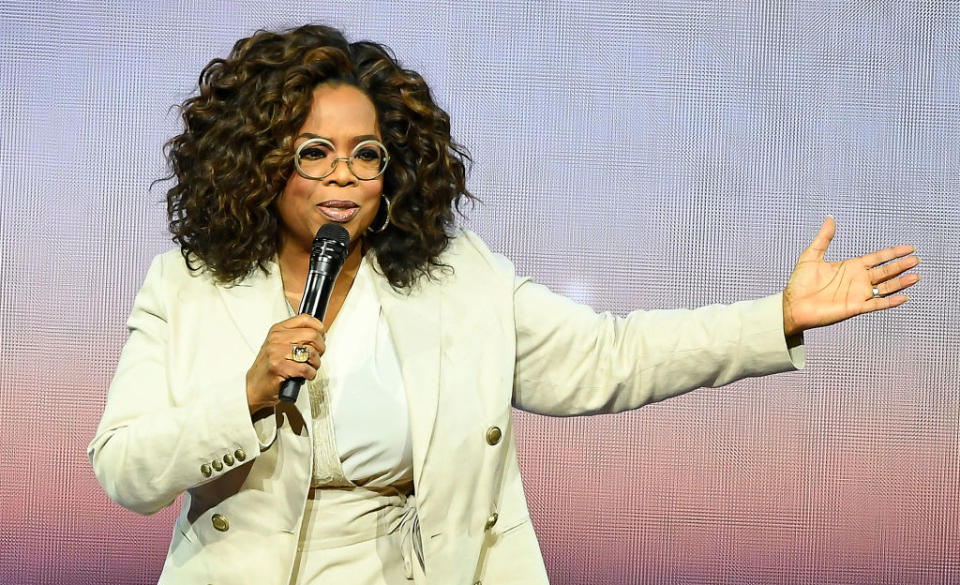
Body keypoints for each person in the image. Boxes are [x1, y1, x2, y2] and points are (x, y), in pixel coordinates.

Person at [87, 24, 921, 585]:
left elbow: (609, 356)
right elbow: (125, 468)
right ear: (261, 161)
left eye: (366, 154)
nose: (343, 175)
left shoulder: (460, 280)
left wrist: (774, 315)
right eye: (316, 151)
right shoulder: (187, 285)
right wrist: (246, 395)